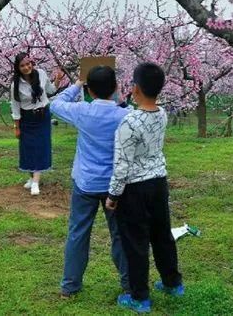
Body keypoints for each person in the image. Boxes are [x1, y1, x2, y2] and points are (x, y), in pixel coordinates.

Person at [106, 62, 183, 313]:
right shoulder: (162, 113)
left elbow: (122, 164)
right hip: (158, 183)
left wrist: (113, 195)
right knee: (162, 236)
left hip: (134, 189)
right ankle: (173, 283)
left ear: (135, 88)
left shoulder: (128, 123)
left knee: (136, 243)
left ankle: (140, 298)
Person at [50, 66, 130, 298]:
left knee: (78, 233)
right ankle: (129, 284)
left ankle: (70, 286)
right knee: (120, 235)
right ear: (116, 88)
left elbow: (55, 103)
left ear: (89, 91)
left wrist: (76, 84)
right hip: (115, 186)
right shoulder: (125, 115)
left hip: (85, 182)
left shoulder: (82, 111)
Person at [10, 53, 61, 196]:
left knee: (40, 147)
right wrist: (17, 127)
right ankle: (31, 178)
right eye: (22, 66)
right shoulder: (16, 85)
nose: (26, 67)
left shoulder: (42, 74)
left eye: (28, 64)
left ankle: (36, 182)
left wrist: (57, 80)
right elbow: (15, 107)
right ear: (18, 68)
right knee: (28, 148)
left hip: (43, 116)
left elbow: (51, 91)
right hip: (27, 118)